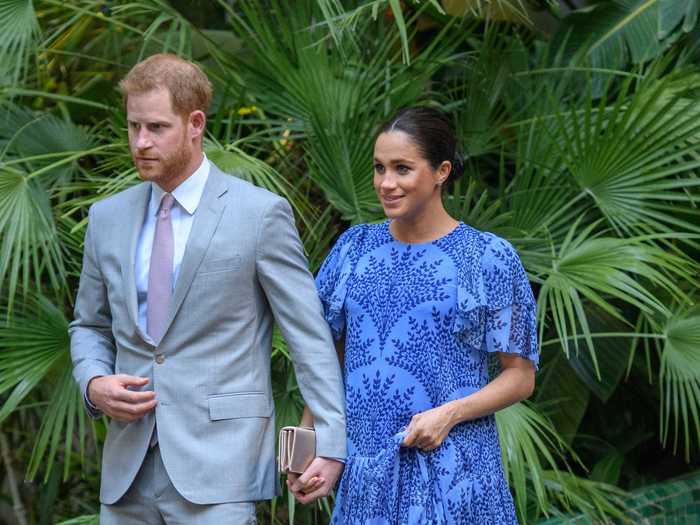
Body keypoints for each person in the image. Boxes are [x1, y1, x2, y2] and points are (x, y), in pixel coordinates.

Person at [69, 53, 346, 524]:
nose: (140, 142)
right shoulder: (106, 218)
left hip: (221, 470)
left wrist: (331, 443)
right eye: (133, 126)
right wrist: (94, 382)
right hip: (126, 471)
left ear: (195, 123)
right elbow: (89, 325)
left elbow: (308, 338)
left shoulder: (260, 215)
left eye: (156, 127)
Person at [294, 106, 538, 523]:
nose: (386, 183)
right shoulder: (353, 250)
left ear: (441, 171)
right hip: (367, 473)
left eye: (402, 169)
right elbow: (323, 358)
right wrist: (302, 450)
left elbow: (520, 376)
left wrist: (451, 412)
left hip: (454, 475)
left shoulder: (488, 258)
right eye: (379, 168)